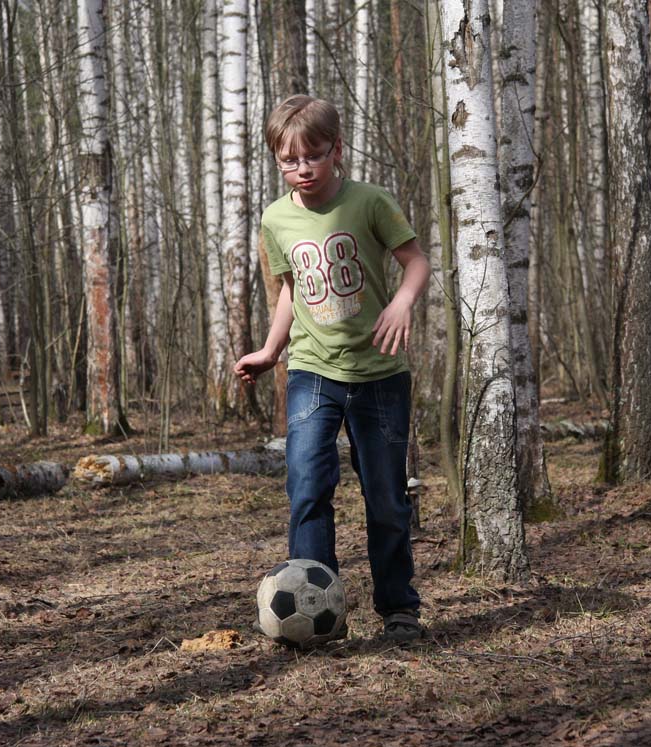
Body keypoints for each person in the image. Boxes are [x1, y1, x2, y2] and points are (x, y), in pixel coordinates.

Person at [235, 95, 430, 642]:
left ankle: (399, 609)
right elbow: (291, 290)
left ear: (336, 150)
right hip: (312, 372)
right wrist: (270, 351)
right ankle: (319, 615)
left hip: (380, 374)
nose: (302, 169)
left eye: (313, 156)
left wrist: (402, 302)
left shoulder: (369, 202)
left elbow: (416, 260)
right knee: (307, 488)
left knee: (386, 498)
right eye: (288, 161)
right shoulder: (275, 219)